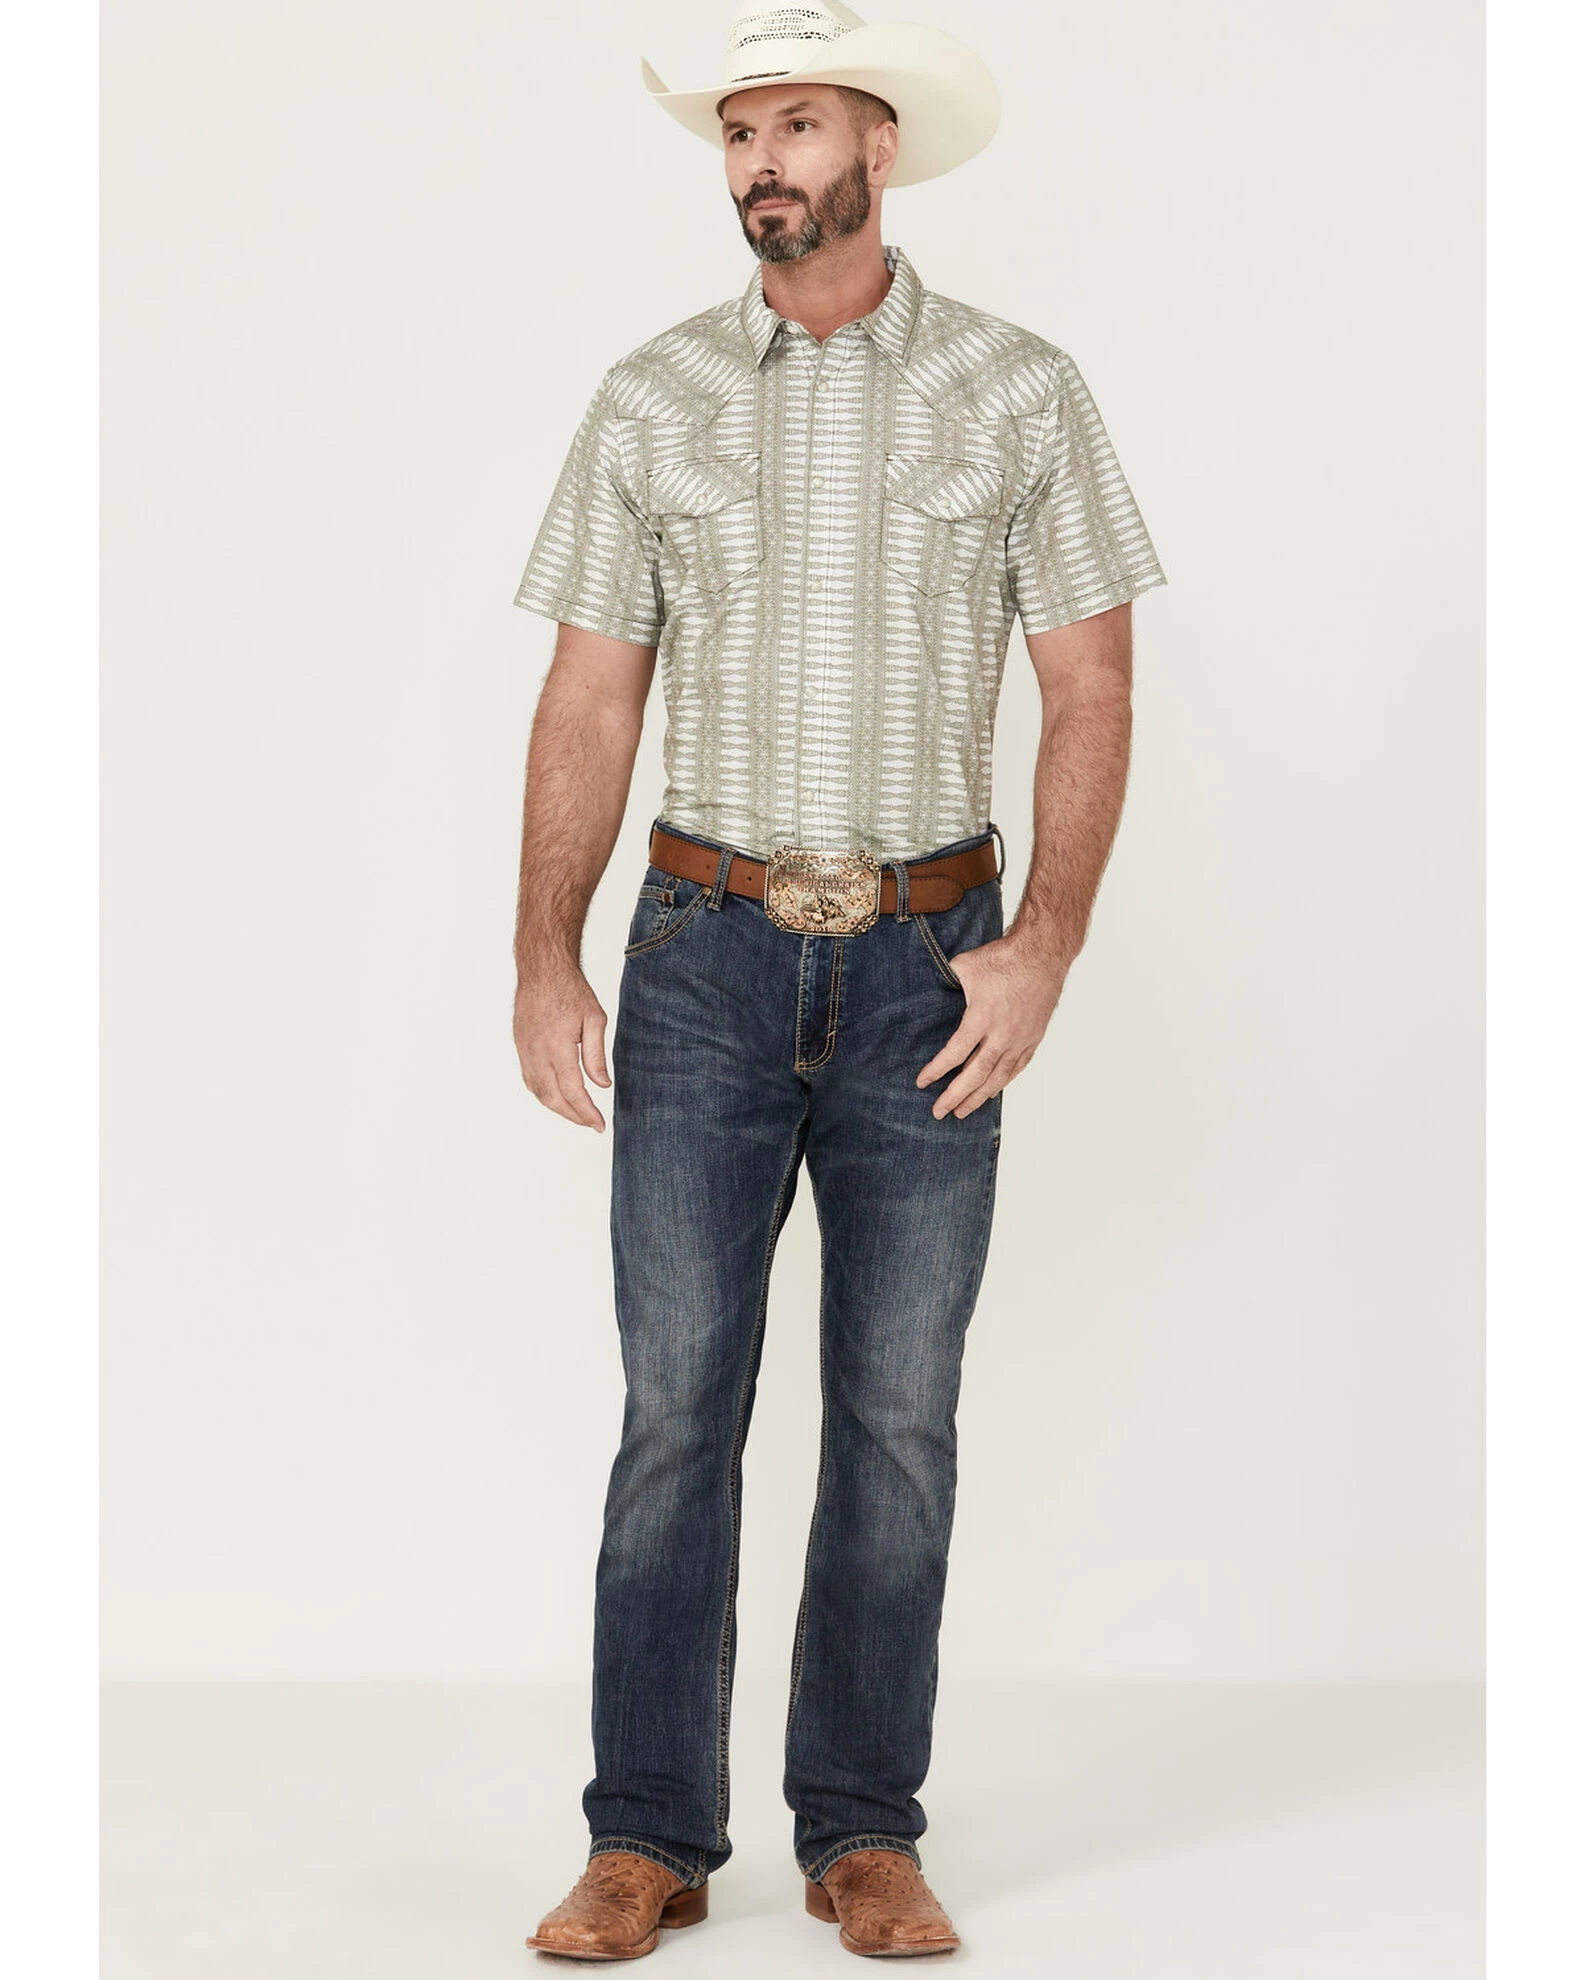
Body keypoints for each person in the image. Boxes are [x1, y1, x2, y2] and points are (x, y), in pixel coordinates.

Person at [510, 1, 1165, 1959]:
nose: (761, 163)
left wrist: (1044, 944)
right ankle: (647, 1837)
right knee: (674, 1411)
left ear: (881, 146)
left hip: (928, 970)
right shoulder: (651, 399)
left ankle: (863, 1829)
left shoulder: (1018, 391)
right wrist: (542, 949)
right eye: (740, 132)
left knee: (897, 1415)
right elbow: (589, 697)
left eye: (796, 124)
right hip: (702, 957)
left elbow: (1091, 686)